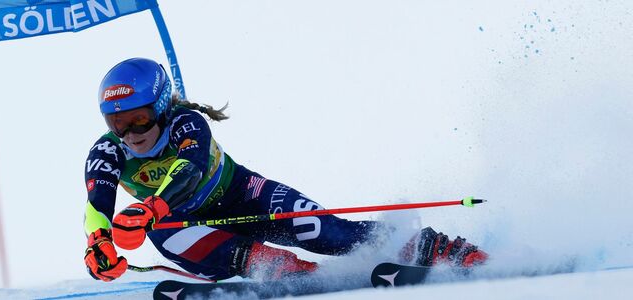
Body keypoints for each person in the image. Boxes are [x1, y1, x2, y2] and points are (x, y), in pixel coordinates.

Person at [82, 58, 488, 282]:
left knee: (325, 232)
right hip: (193, 229)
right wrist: (97, 244)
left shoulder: (187, 123)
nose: (129, 132)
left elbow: (189, 168)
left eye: (138, 118)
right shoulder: (107, 151)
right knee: (161, 231)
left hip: (246, 195)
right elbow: (97, 202)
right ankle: (289, 271)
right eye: (116, 122)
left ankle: (434, 247)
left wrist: (151, 206)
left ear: (162, 106)